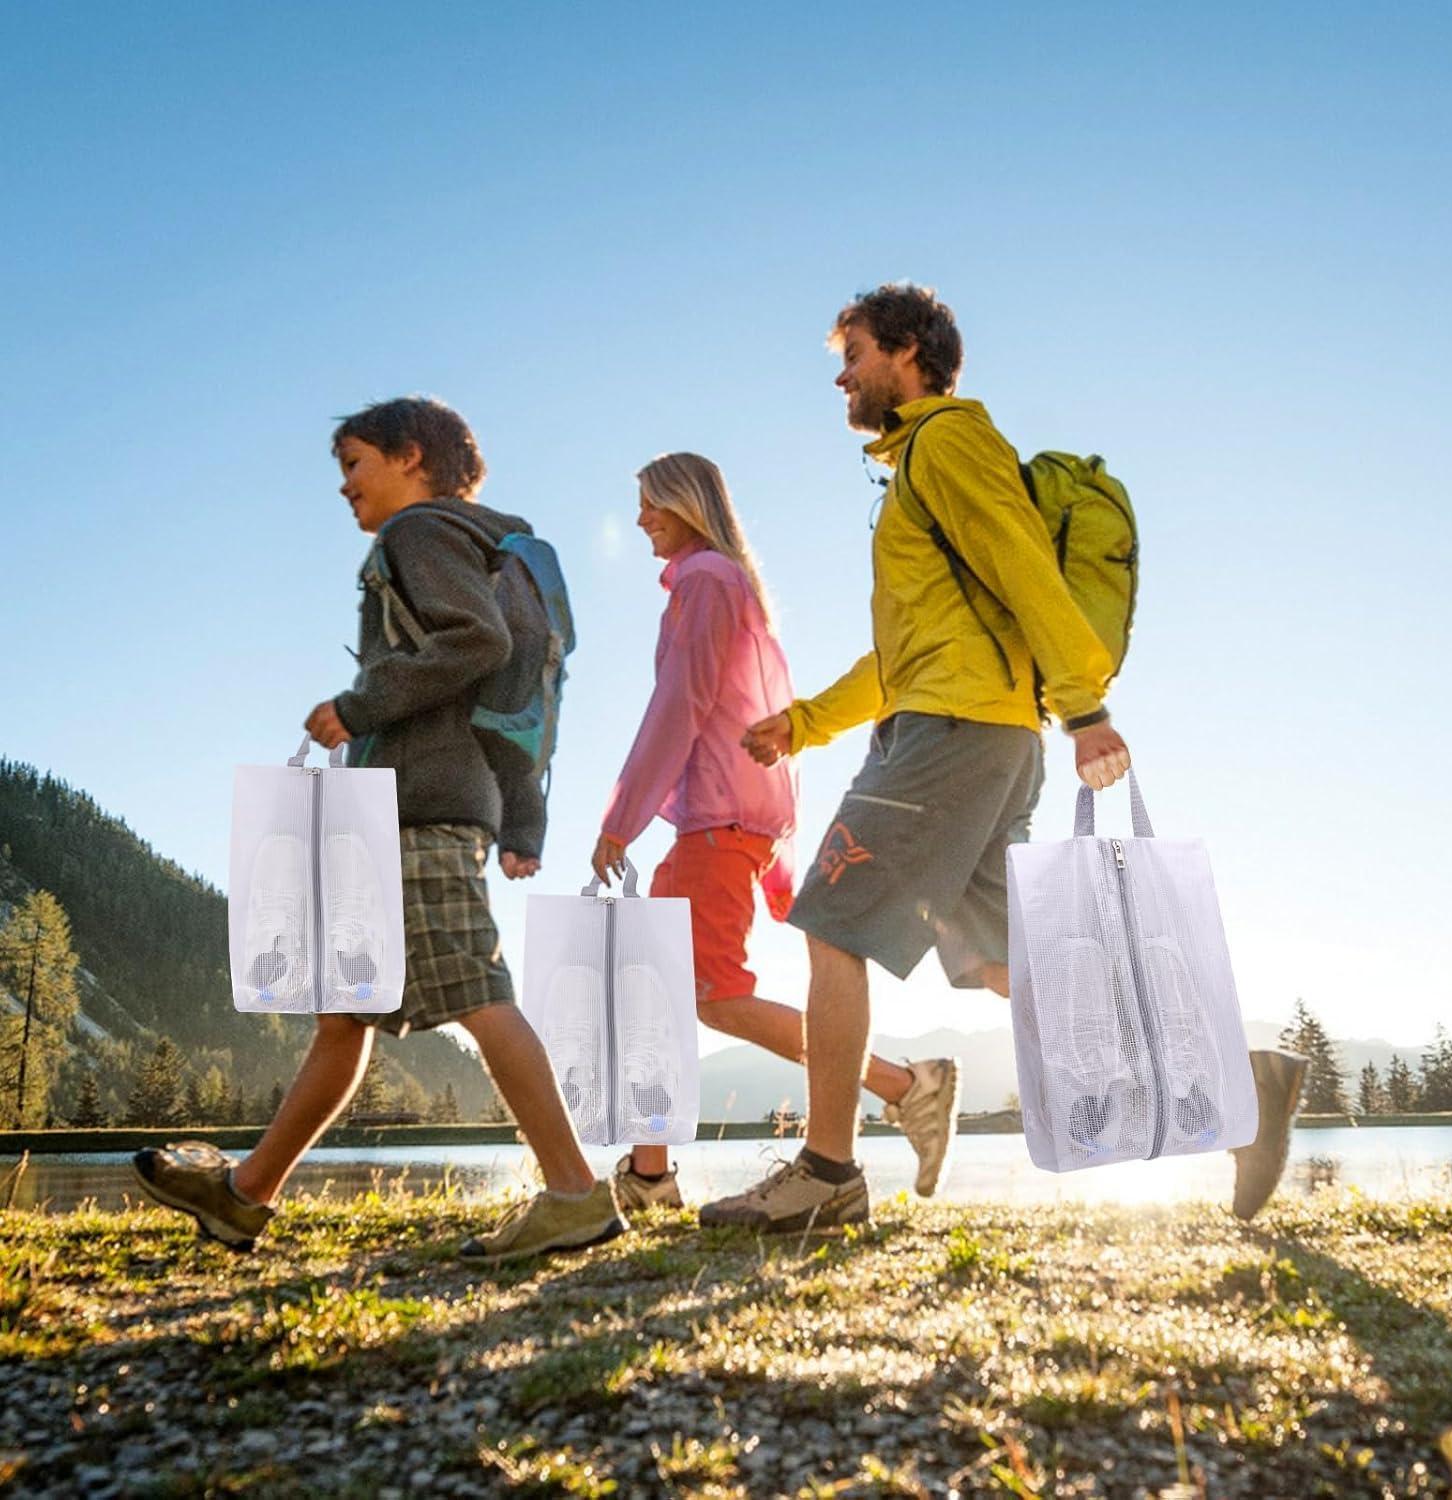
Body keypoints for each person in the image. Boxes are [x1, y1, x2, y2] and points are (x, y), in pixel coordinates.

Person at [703, 284, 1306, 1232]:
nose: (842, 376)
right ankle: (1239, 1083)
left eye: (854, 354)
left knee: (830, 924)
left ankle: (827, 1173)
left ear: (907, 351)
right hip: (973, 733)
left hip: (952, 737)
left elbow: (1024, 563)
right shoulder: (920, 462)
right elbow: (907, 655)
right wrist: (806, 723)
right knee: (1000, 960)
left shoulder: (946, 443)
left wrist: (1087, 710)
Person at [133, 396, 628, 1262]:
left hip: (417, 804)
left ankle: (575, 1193)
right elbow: (518, 688)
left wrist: (357, 705)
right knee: (343, 1014)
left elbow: (475, 643)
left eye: (354, 463)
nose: (344, 486)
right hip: (428, 800)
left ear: (410, 457)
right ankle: (246, 1196)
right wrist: (522, 819)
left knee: (476, 990)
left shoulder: (418, 532)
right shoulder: (486, 543)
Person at [590, 454, 962, 1214]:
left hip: (717, 827)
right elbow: (759, 722)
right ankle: (650, 1175)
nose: (640, 519)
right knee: (660, 986)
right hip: (726, 827)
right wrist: (779, 863)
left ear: (689, 504)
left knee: (714, 996)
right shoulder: (734, 588)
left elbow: (682, 703)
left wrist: (621, 817)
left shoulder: (706, 581)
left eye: (652, 502)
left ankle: (904, 1085)